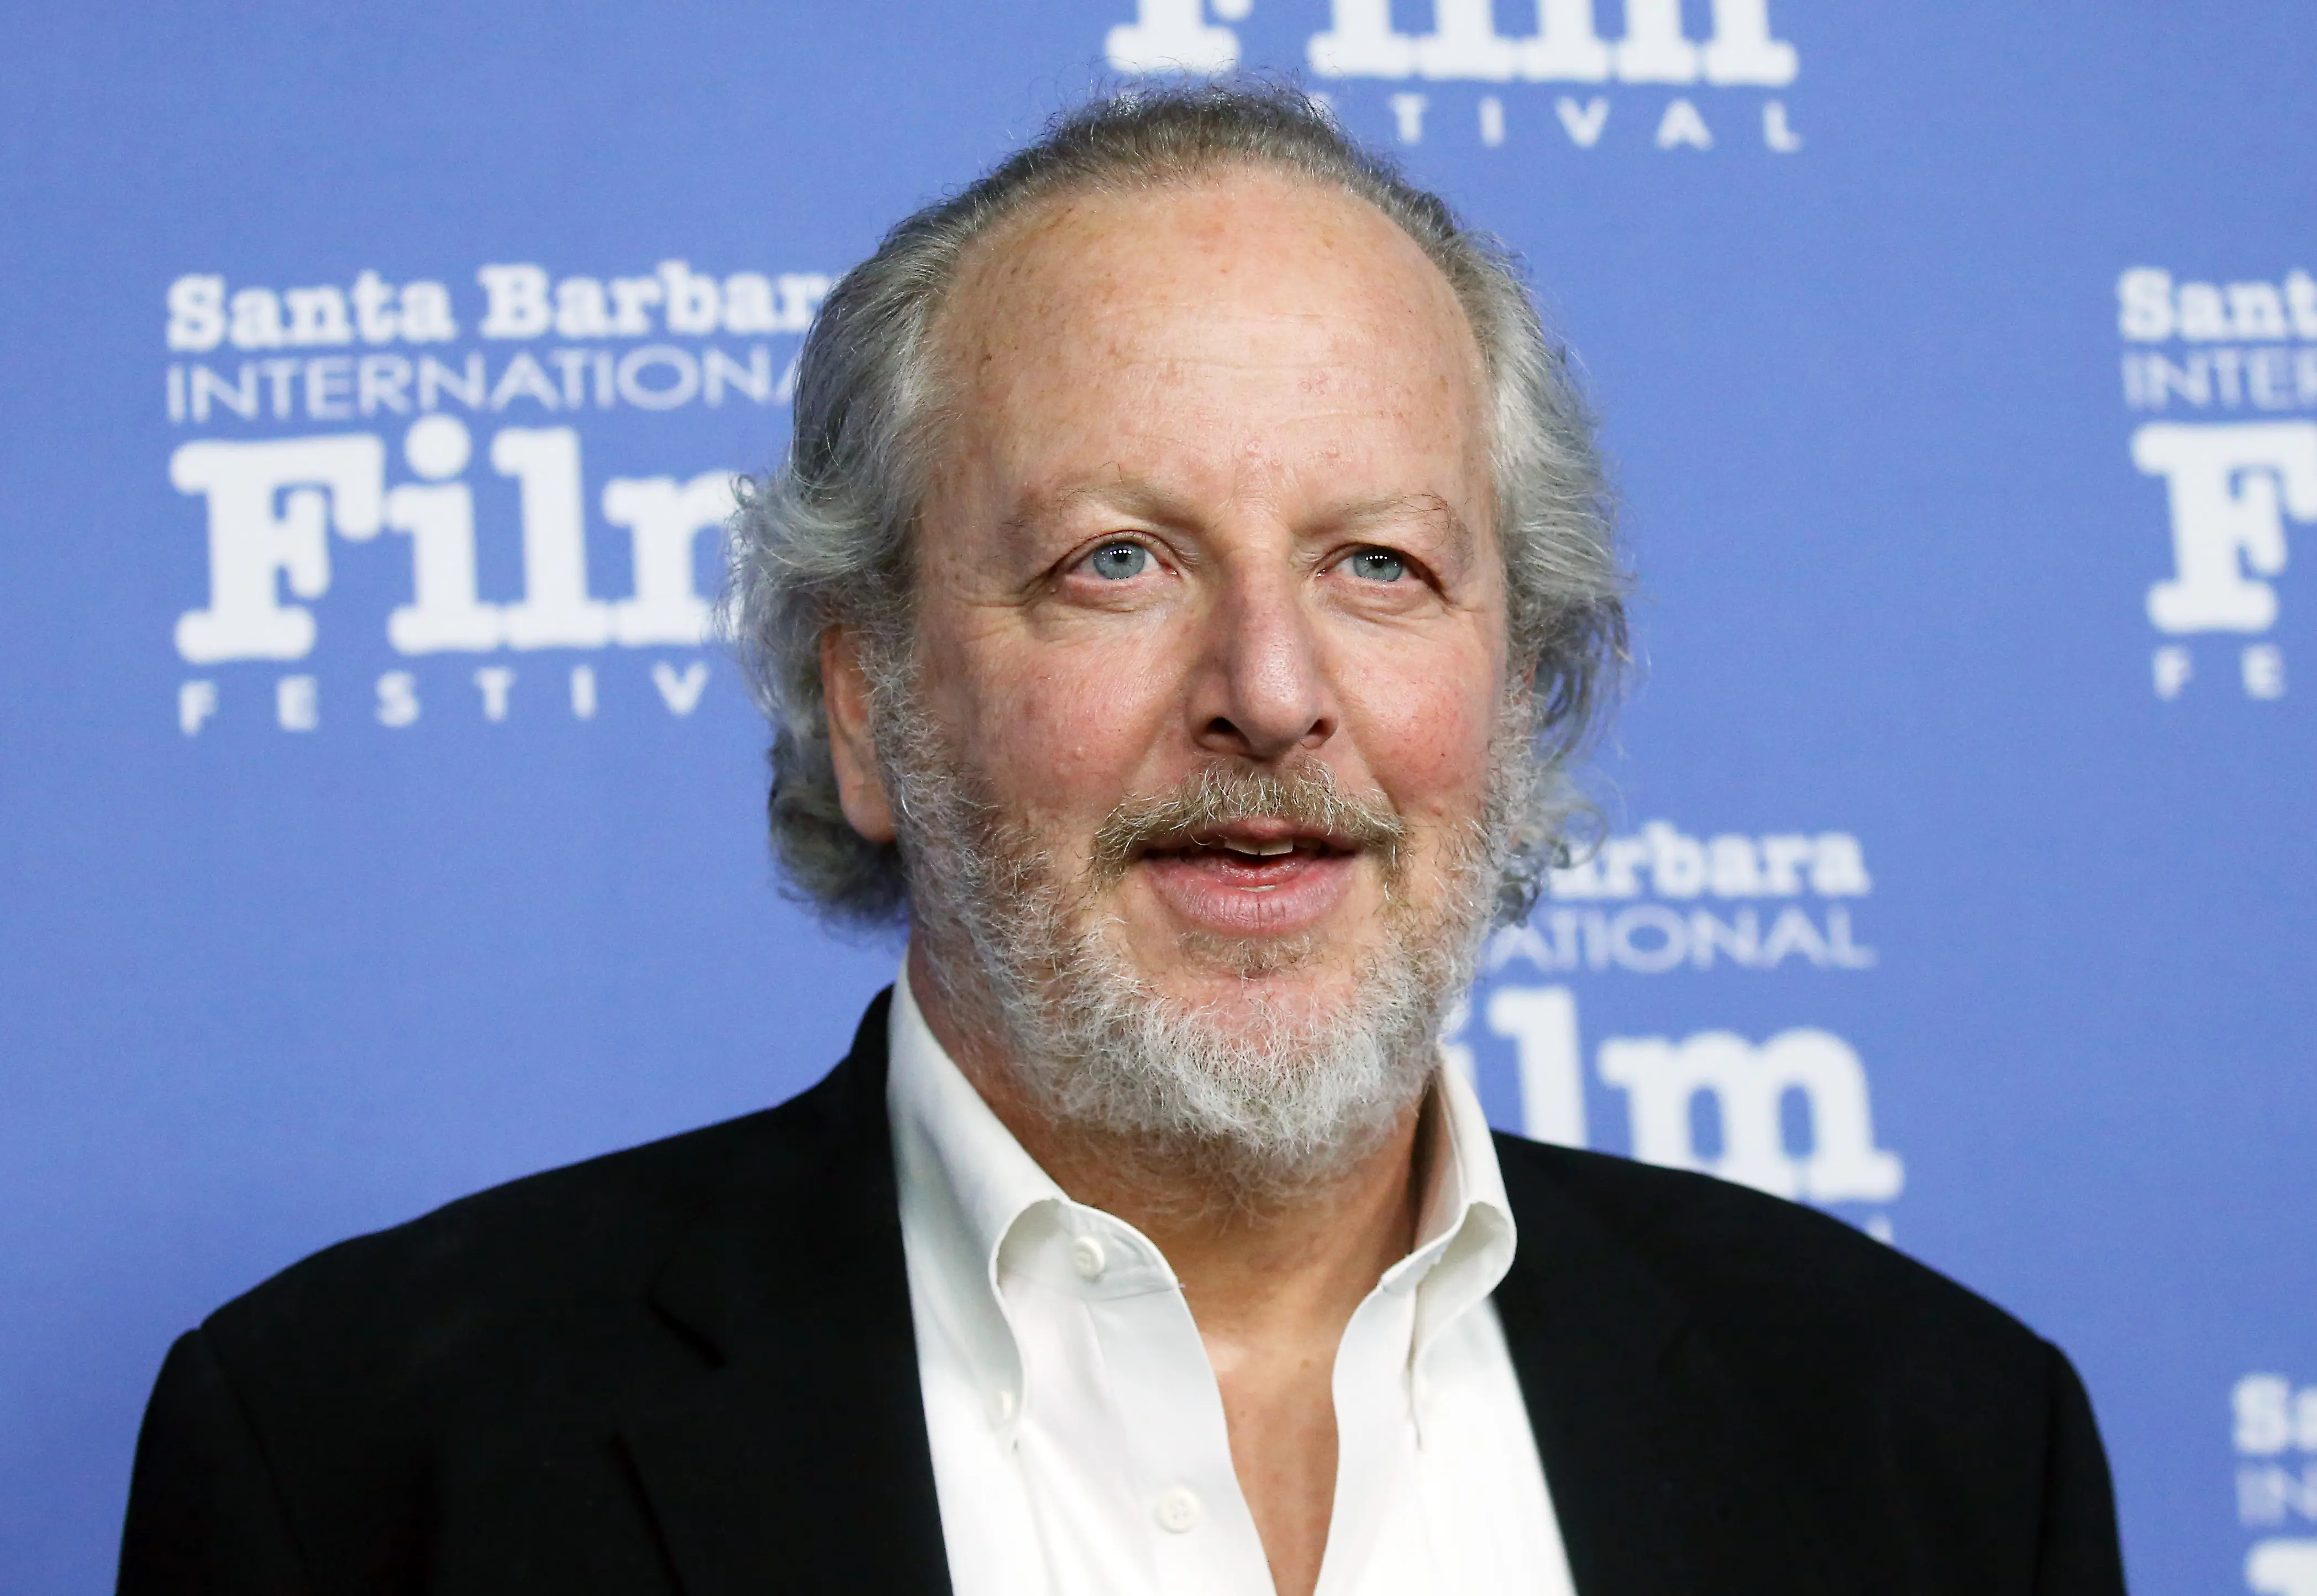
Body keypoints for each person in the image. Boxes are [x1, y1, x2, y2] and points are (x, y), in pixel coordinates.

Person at [119, 84, 2125, 1596]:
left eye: (1379, 561)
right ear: (869, 706)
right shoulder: (359, 1468)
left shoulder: (1938, 1457)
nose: (1270, 685)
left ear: (1514, 686)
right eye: (1117, 560)